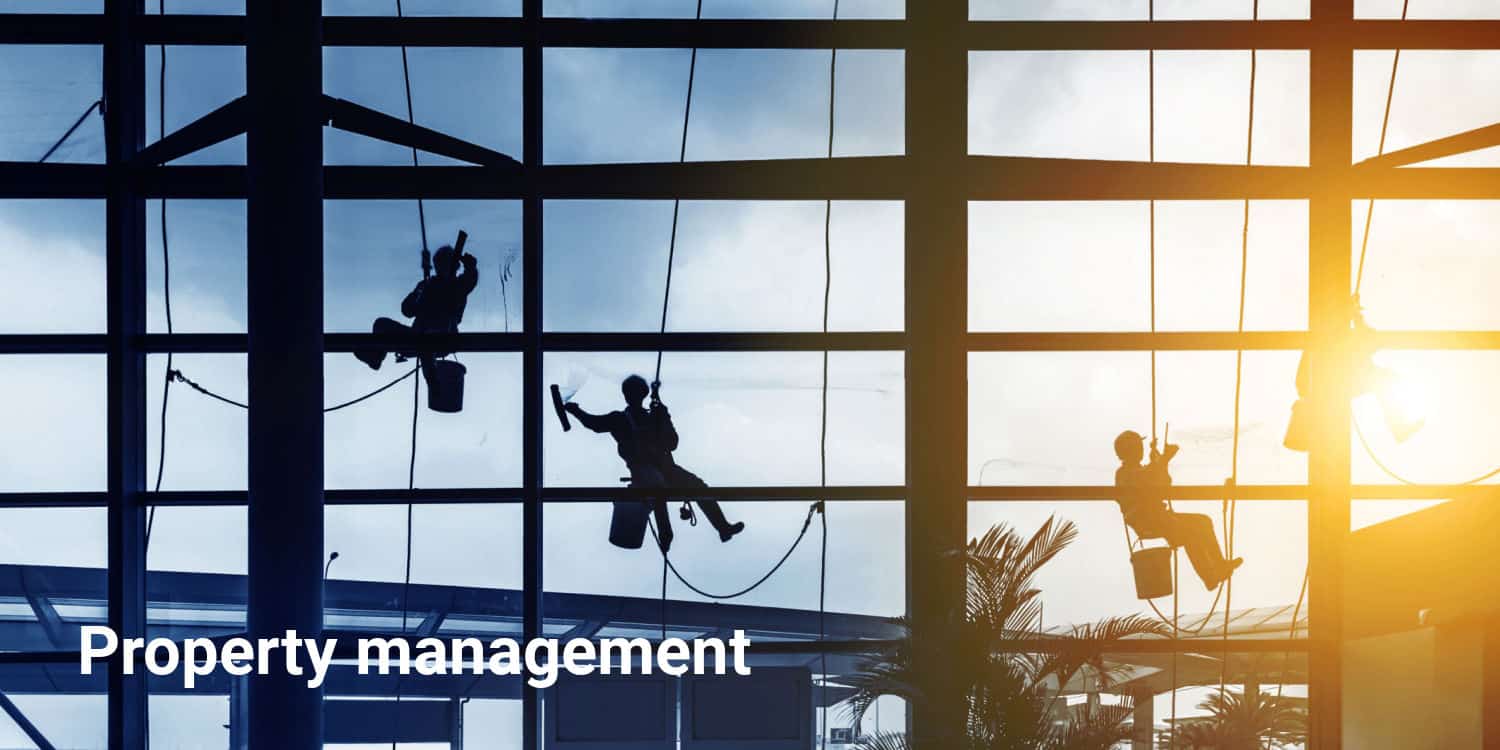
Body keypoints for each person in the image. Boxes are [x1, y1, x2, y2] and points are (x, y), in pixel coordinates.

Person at [565, 375, 745, 551]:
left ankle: (721, 527)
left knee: (697, 486)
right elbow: (595, 424)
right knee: (659, 487)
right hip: (646, 472)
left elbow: (672, 442)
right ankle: (669, 533)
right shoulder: (624, 419)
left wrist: (663, 416)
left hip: (666, 470)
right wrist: (576, 411)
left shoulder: (648, 417)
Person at [1113, 430, 1243, 590]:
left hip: (1159, 517)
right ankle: (1209, 576)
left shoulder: (1139, 470)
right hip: (1149, 521)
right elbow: (1146, 478)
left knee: (1203, 521)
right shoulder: (1125, 473)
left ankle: (1219, 565)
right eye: (1138, 446)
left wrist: (1161, 461)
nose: (1141, 449)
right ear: (1130, 450)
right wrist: (1162, 460)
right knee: (1190, 533)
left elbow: (1163, 482)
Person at [355, 244, 478, 389]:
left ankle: (433, 382)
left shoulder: (457, 286)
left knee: (427, 341)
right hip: (418, 336)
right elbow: (407, 310)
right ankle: (376, 357)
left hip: (443, 337)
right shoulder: (427, 285)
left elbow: (469, 280)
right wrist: (420, 294)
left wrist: (471, 268)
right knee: (381, 324)